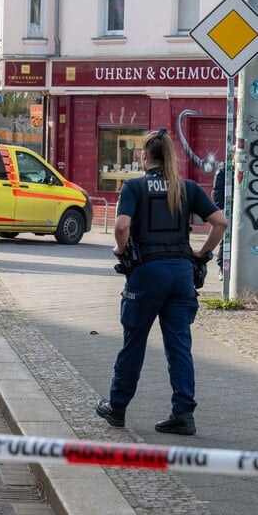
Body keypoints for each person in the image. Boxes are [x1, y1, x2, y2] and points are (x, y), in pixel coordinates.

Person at [96, 129, 226, 436]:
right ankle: (183, 413)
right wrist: (201, 253)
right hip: (182, 273)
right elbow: (219, 222)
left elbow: (122, 225)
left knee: (134, 341)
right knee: (179, 344)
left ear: (145, 154)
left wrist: (120, 247)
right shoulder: (188, 187)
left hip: (147, 275)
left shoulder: (135, 186)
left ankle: (117, 407)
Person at [211, 163, 225, 280]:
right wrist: (221, 209)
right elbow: (216, 191)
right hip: (227, 210)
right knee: (226, 240)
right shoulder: (223, 169)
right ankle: (222, 267)